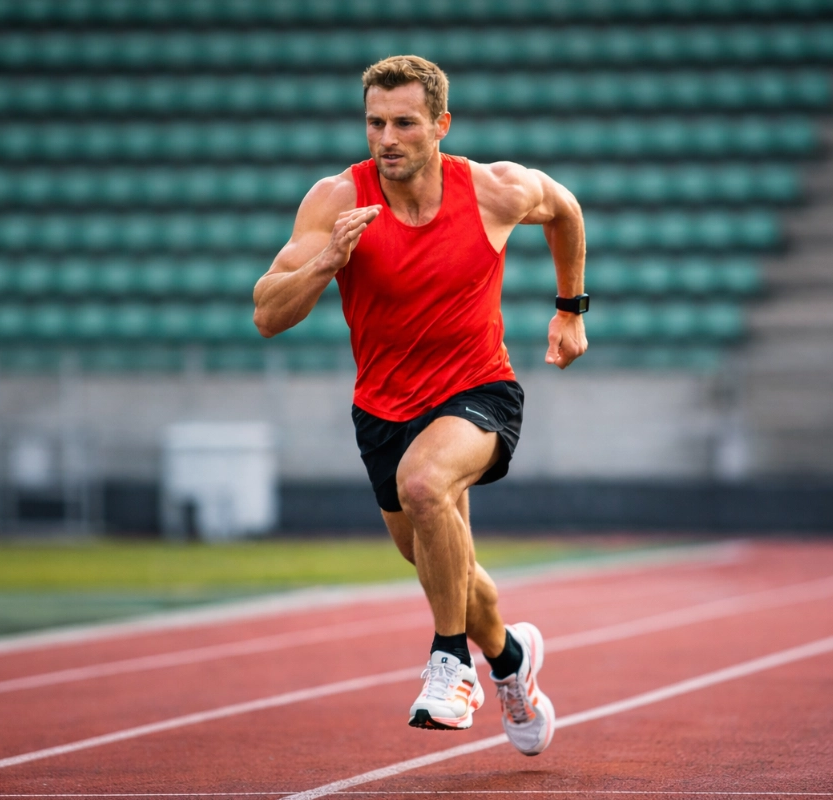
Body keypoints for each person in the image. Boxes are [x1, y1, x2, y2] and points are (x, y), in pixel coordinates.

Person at [253, 55, 587, 756]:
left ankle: (449, 664)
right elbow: (266, 314)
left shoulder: (493, 190)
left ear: (440, 125)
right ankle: (511, 662)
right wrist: (324, 264)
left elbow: (564, 209)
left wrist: (570, 310)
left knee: (425, 483)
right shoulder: (337, 200)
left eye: (405, 123)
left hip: (478, 391)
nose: (387, 138)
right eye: (376, 122)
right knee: (448, 568)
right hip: (384, 411)